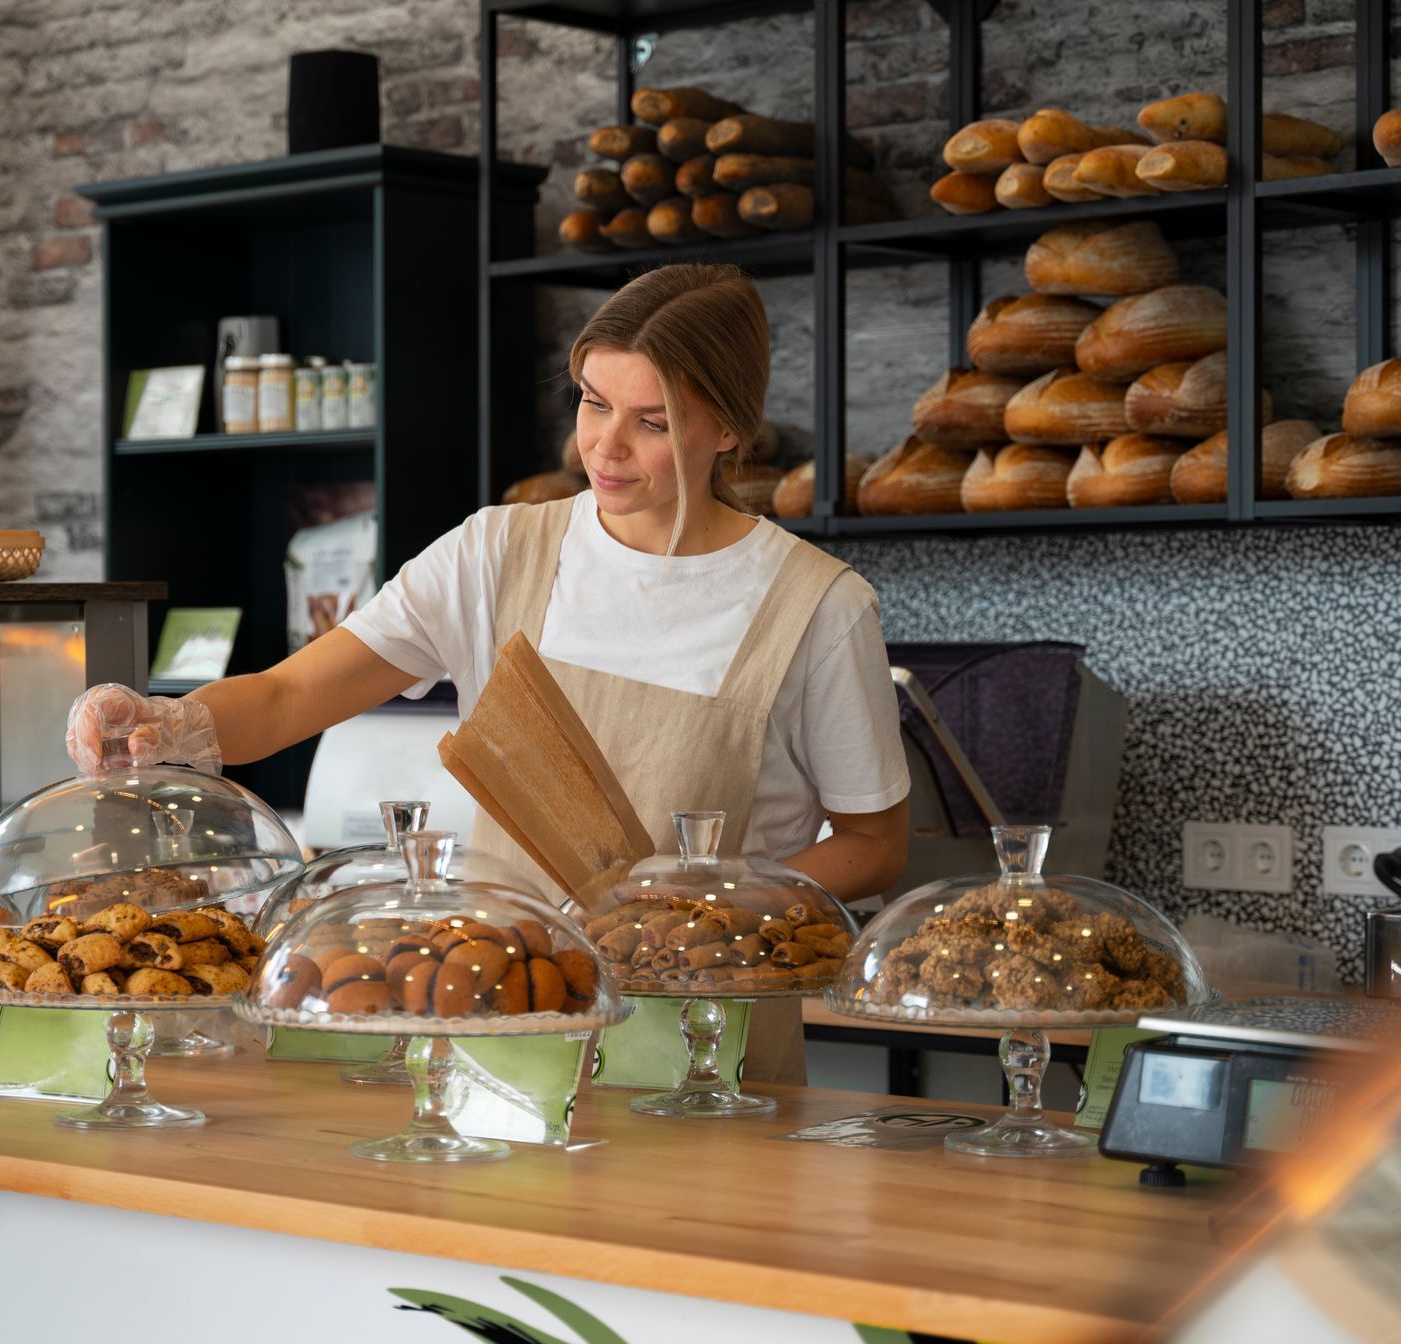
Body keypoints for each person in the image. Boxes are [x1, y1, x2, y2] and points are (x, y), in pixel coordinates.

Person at [68, 264, 911, 1081]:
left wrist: (711, 901)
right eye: (593, 402)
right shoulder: (496, 553)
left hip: (708, 1049)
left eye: (653, 421)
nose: (605, 447)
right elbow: (289, 695)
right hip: (500, 1025)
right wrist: (166, 720)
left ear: (727, 428)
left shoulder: (818, 606)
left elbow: (874, 846)